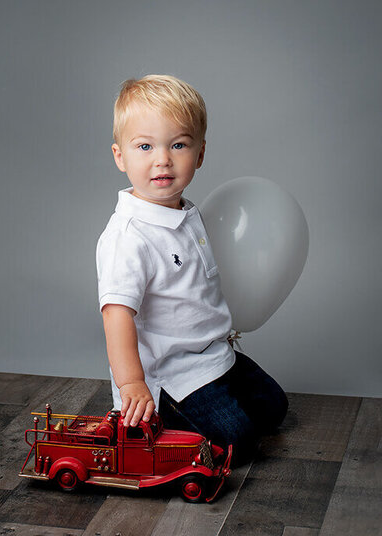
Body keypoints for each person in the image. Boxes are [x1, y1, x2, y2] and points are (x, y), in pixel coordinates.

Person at [96, 74, 288, 466]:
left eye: (178, 145)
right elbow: (116, 315)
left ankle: (214, 402)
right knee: (240, 443)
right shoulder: (128, 237)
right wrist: (132, 383)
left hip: (213, 354)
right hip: (173, 375)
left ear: (199, 154)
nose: (162, 159)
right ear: (120, 156)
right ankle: (164, 417)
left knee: (274, 408)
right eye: (145, 146)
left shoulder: (186, 212)